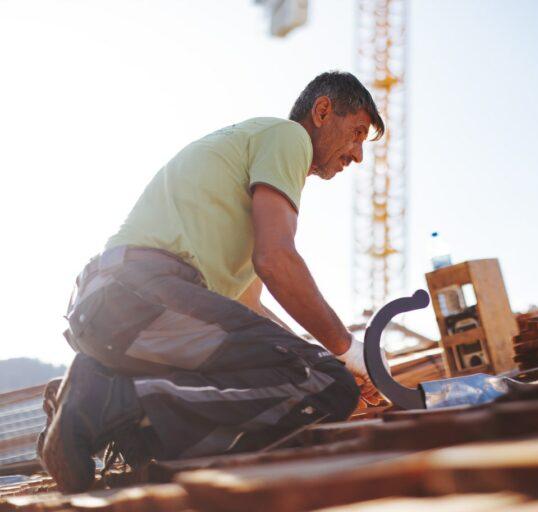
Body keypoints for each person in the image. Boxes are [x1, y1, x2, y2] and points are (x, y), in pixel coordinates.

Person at [40, 71, 386, 493]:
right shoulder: (288, 137)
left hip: (114, 305)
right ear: (322, 111)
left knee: (305, 370)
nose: (357, 155)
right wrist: (345, 352)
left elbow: (252, 313)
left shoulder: (238, 193)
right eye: (355, 134)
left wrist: (324, 357)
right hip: (139, 294)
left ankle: (102, 414)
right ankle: (114, 404)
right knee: (328, 386)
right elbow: (277, 259)